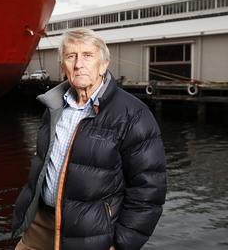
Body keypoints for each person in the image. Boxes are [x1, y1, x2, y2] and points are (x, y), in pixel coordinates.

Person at [11, 28, 166, 250]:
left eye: (87, 55)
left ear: (103, 64)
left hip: (91, 234)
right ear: (62, 66)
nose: (78, 64)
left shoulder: (133, 114)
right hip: (40, 225)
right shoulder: (53, 106)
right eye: (71, 56)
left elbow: (149, 190)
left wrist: (122, 244)